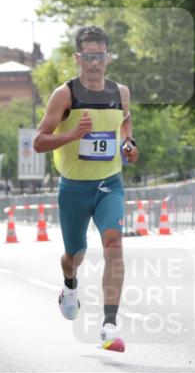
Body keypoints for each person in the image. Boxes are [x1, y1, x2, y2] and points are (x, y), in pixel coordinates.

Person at [33, 25, 139, 353]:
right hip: (75, 188)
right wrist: (70, 136)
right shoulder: (65, 95)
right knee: (74, 256)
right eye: (88, 57)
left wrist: (129, 145)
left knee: (114, 244)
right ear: (79, 58)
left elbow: (125, 123)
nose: (95, 63)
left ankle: (109, 325)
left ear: (108, 57)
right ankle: (70, 286)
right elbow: (38, 142)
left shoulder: (120, 92)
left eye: (100, 56)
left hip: (110, 183)